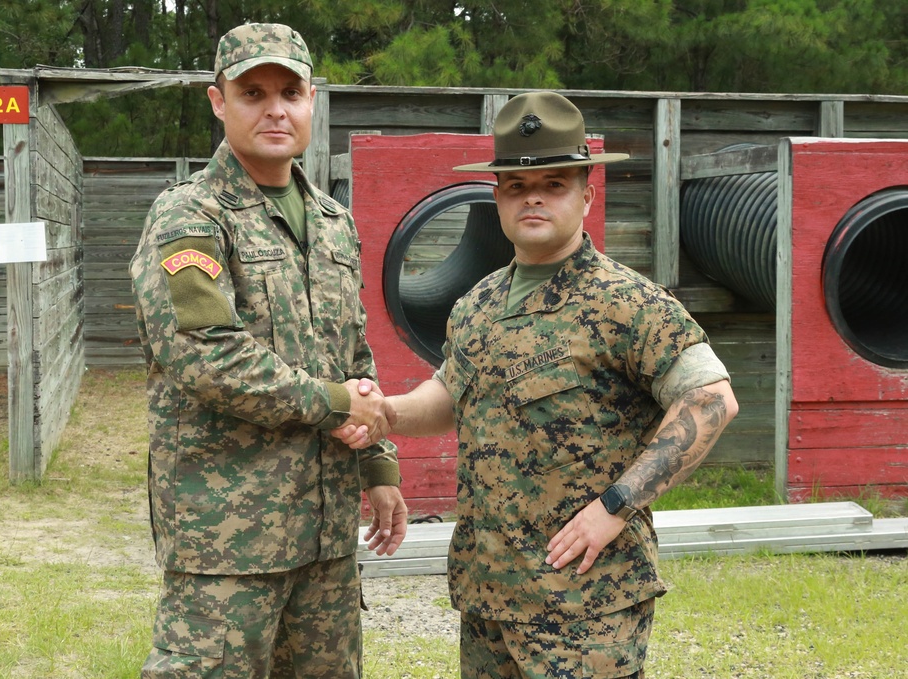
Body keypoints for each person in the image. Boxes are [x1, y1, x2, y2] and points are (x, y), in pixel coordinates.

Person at [335, 91, 738, 678]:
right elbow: (451, 395)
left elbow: (711, 400)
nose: (534, 198)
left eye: (554, 184)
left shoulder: (625, 302)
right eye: (518, 186)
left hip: (584, 602)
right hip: (489, 593)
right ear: (497, 197)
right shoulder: (477, 303)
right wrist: (387, 412)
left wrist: (616, 506)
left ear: (586, 195)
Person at [129, 22, 407, 678]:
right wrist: (334, 401)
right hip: (228, 539)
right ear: (218, 101)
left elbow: (352, 350)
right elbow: (205, 356)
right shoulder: (190, 216)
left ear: (313, 99)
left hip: (324, 532)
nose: (275, 108)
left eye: (290, 91)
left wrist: (379, 464)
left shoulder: (334, 223)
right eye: (252, 92)